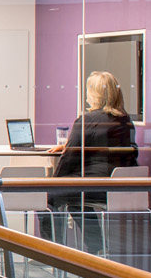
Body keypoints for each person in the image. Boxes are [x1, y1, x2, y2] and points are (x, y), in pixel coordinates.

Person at [46, 70, 138, 251]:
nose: (86, 94)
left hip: (95, 187)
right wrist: (68, 147)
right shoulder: (125, 121)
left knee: (47, 198)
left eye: (88, 90)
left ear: (95, 94)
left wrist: (53, 183)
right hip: (119, 186)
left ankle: (51, 252)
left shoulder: (87, 120)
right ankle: (97, 248)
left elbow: (69, 159)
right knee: (75, 202)